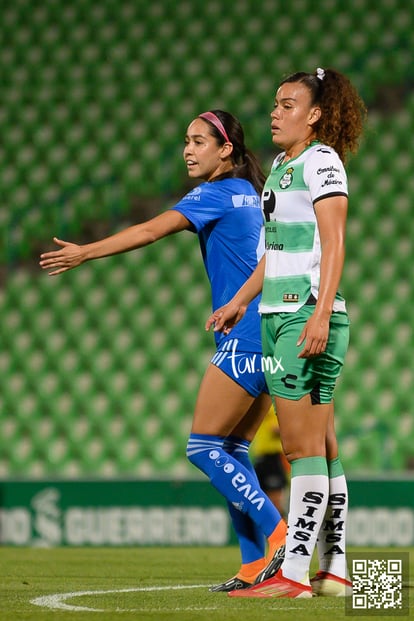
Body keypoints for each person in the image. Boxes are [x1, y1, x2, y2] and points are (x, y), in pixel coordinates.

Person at [39, 110, 287, 591]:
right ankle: (256, 565)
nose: (188, 150)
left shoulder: (214, 193)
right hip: (273, 329)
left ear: (226, 149)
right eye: (186, 142)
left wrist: (86, 252)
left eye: (198, 141)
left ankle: (280, 535)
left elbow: (151, 229)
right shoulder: (256, 195)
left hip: (247, 332)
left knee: (203, 447)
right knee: (233, 449)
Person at [207, 69, 366, 598]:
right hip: (277, 312)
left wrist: (320, 314)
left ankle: (294, 573)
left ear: (315, 114)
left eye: (287, 104)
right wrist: (239, 300)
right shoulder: (280, 166)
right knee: (322, 444)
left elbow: (334, 240)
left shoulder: (322, 161)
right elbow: (273, 252)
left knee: (301, 450)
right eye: (275, 103)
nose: (274, 113)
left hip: (303, 316)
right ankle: (335, 568)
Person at [251, 404, 289, 516]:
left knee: (274, 502)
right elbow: (275, 429)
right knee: (264, 502)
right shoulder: (269, 403)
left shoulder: (276, 404)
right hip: (263, 457)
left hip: (272, 457)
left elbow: (276, 429)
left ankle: (281, 531)